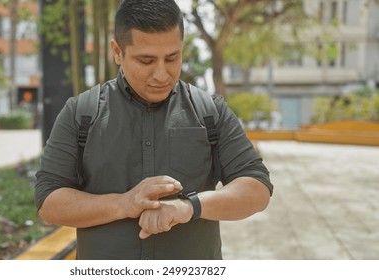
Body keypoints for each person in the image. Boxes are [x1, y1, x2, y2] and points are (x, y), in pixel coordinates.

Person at [35, 0, 273, 260]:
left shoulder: (210, 111)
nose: (162, 74)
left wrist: (188, 207)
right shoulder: (81, 112)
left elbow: (256, 188)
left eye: (172, 58)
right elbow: (49, 202)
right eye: (146, 60)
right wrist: (124, 204)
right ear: (117, 51)